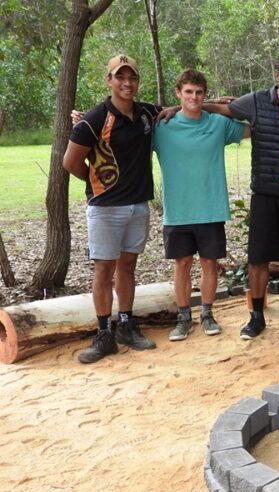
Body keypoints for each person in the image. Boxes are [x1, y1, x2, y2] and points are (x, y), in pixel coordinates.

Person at [205, 54, 279, 338]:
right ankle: (256, 315)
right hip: (265, 195)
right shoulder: (255, 101)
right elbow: (221, 109)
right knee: (258, 258)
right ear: (276, 75)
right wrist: (178, 107)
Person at [63, 55, 159, 364]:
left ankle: (127, 325)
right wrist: (96, 181)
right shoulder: (93, 120)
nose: (127, 83)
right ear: (109, 80)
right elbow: (71, 162)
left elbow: (178, 110)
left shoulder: (146, 113)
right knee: (104, 269)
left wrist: (213, 103)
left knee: (128, 267)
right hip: (106, 207)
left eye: (132, 78)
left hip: (138, 205)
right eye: (121, 77)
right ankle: (104, 332)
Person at [152, 69, 248, 341]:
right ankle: (184, 317)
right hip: (178, 211)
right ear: (178, 93)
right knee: (182, 264)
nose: (193, 97)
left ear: (205, 95)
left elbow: (255, 124)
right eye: (188, 92)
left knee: (208, 263)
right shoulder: (162, 127)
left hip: (210, 207)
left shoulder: (218, 124)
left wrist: (217, 105)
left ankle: (207, 314)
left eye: (199, 93)